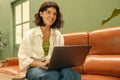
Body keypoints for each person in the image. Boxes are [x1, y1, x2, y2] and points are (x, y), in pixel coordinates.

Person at [18, 1, 80, 80]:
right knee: (52, 75)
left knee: (71, 73)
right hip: (35, 68)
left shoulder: (58, 35)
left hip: (53, 67)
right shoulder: (29, 34)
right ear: (41, 14)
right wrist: (43, 64)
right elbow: (24, 59)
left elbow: (60, 56)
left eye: (54, 14)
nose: (52, 16)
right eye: (48, 12)